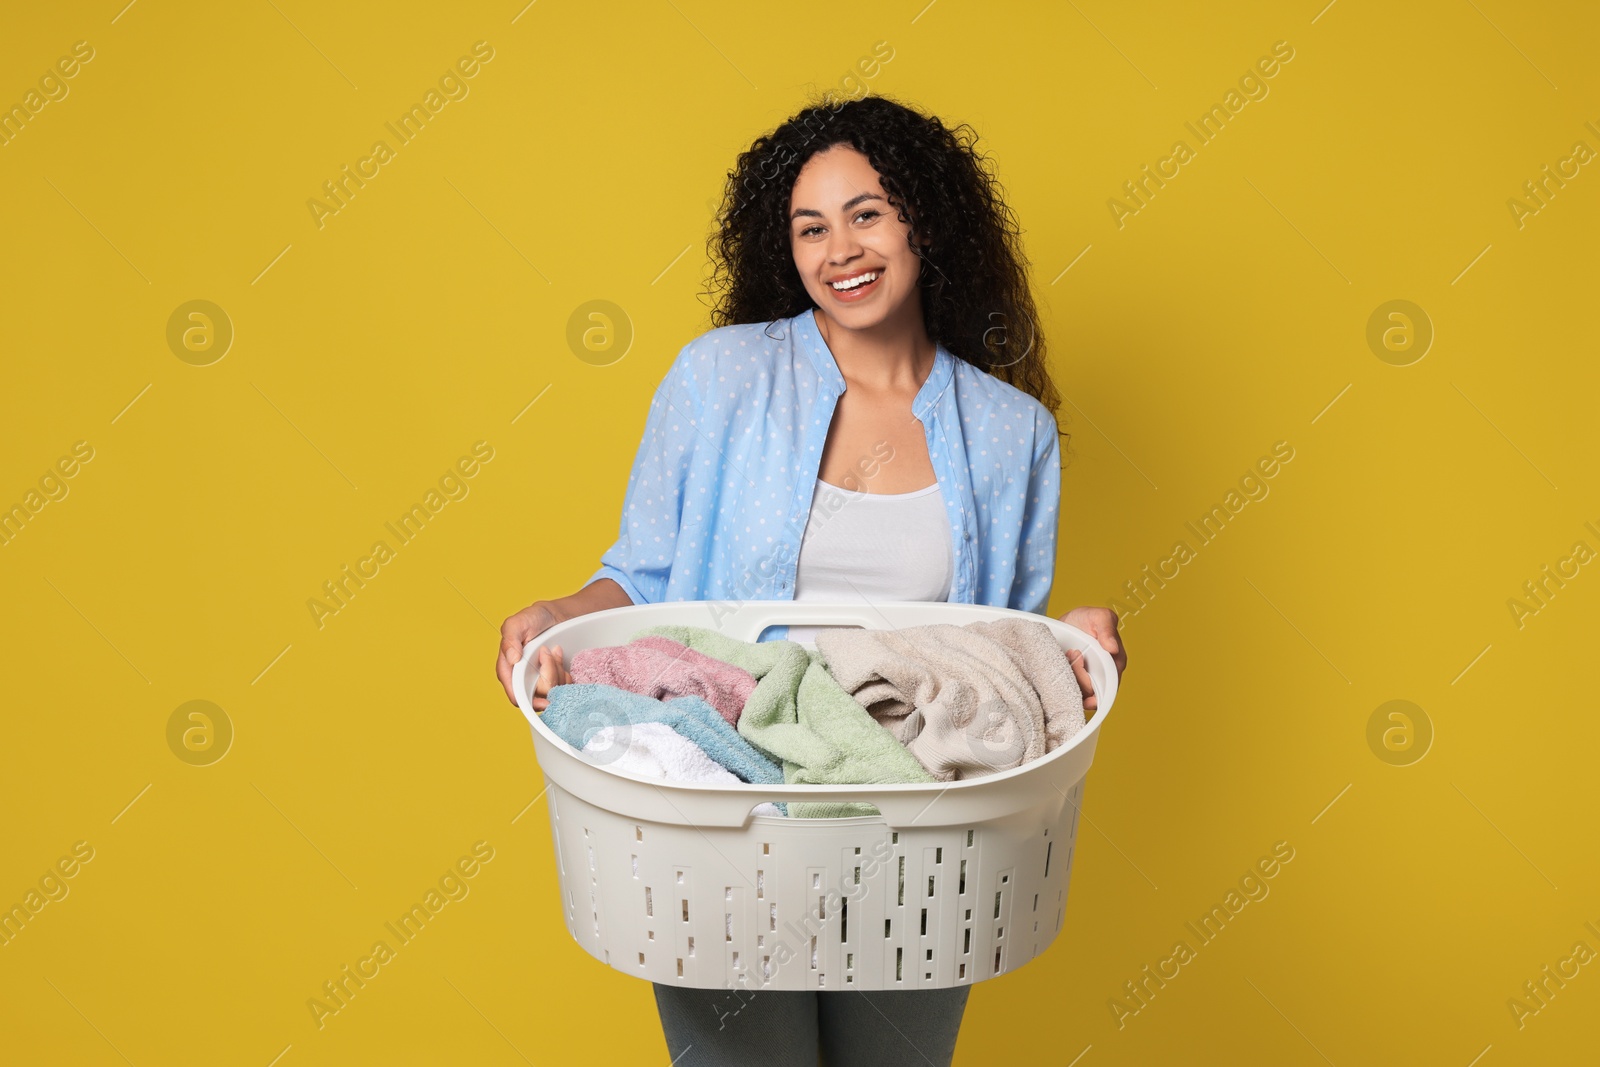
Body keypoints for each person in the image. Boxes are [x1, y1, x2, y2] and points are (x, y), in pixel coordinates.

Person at [495, 92, 1128, 1066]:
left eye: (866, 212)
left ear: (925, 217)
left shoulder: (1012, 434)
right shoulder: (716, 381)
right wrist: (557, 614)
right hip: (726, 806)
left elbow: (999, 654)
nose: (841, 248)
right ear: (781, 248)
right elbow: (642, 574)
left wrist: (1072, 641)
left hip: (917, 829)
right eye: (810, 226)